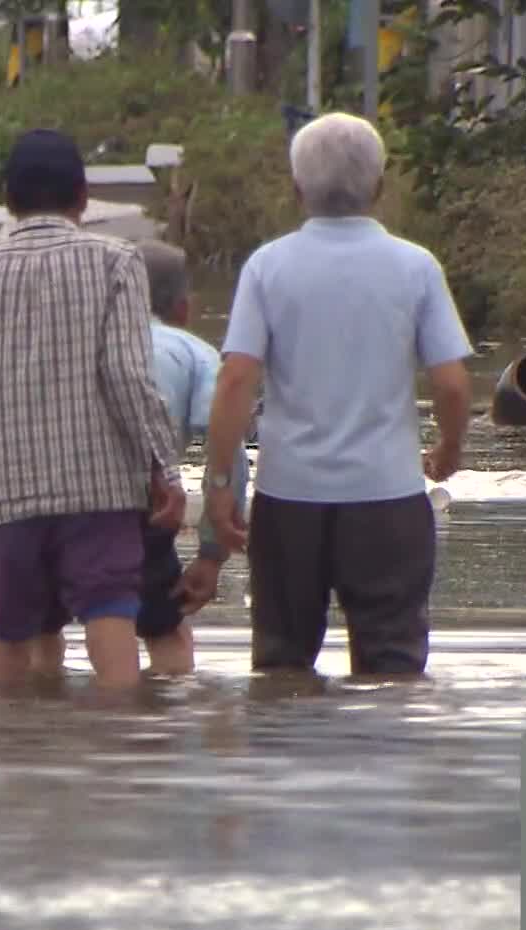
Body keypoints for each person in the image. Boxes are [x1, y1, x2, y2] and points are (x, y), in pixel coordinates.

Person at [197, 111, 474, 676]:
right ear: (379, 186)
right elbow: (450, 382)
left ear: (297, 189)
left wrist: (220, 483)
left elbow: (235, 382)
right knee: (393, 669)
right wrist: (449, 448)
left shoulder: (267, 267)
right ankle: (383, 765)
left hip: (288, 500)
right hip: (389, 499)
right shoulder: (416, 267)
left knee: (281, 667)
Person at [0, 128, 186, 693]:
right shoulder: (117, 263)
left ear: (7, 199)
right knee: (111, 609)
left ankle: (6, 756)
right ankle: (122, 747)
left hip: (6, 498)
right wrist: (164, 467)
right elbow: (128, 375)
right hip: (102, 492)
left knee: (9, 633)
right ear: (83, 198)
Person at [128, 239, 251, 674]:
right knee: (167, 633)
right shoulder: (192, 352)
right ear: (184, 307)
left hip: (59, 503)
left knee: (42, 633)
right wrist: (212, 553)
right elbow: (227, 450)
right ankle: (161, 719)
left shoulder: (81, 343)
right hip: (141, 507)